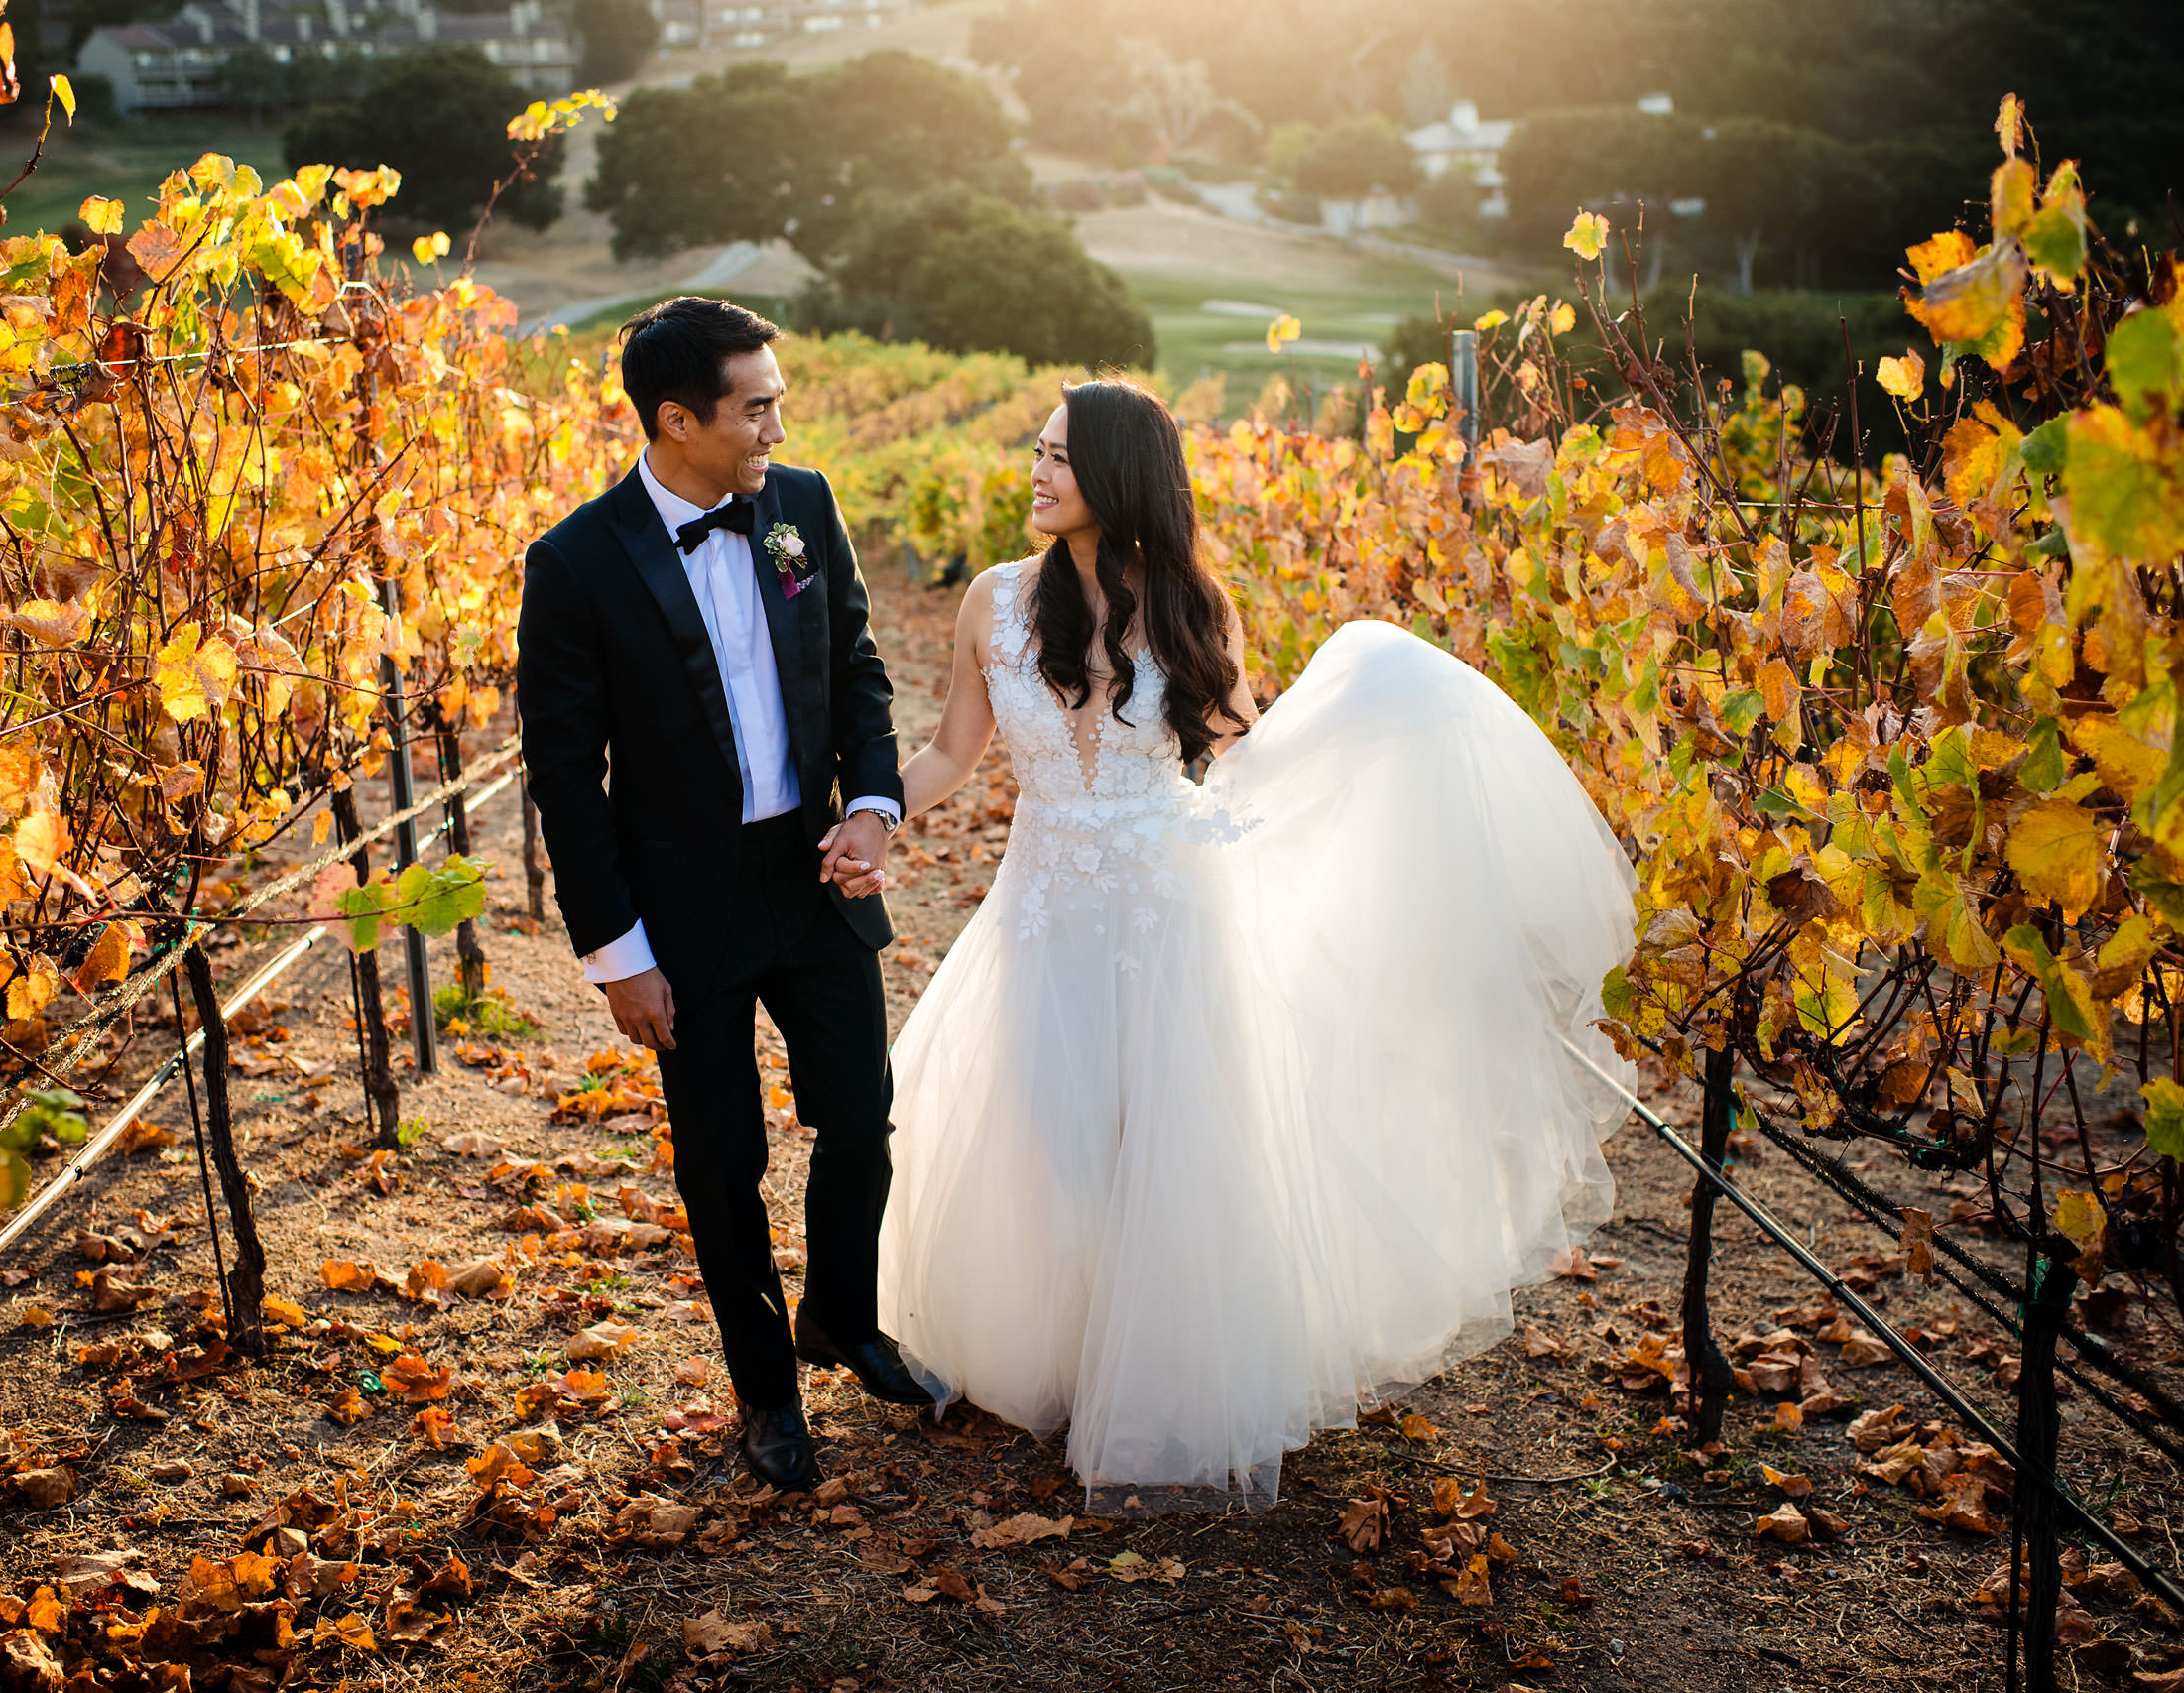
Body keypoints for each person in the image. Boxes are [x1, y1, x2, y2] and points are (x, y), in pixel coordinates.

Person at [839, 377, 1638, 1511]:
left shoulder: (1190, 611)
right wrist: (874, 819)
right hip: (1043, 908)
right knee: (1043, 1130)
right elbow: (950, 754)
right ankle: (1055, 1356)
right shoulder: (991, 601)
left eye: (1061, 456)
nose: (1037, 468)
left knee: (1166, 1147)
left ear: (1116, 478)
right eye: (1036, 448)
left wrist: (1374, 728)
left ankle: (1157, 1383)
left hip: (1171, 910)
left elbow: (1242, 755)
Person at [518, 297, 930, 1493]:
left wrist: (874, 803)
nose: (775, 425)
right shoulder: (577, 563)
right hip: (682, 911)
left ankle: (840, 1320)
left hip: (811, 880)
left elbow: (854, 662)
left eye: (777, 402)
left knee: (859, 1113)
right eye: (756, 407)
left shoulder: (798, 507)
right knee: (720, 1161)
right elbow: (564, 778)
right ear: (675, 419)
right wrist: (617, 953)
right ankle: (765, 1394)